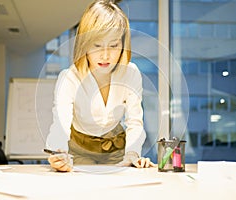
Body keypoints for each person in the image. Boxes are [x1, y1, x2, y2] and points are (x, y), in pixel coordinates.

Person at [46, 0, 155, 172]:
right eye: (96, 45)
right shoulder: (69, 78)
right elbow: (60, 122)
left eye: (113, 45)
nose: (105, 55)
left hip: (116, 147)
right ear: (84, 44)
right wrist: (58, 153)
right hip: (79, 149)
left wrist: (133, 154)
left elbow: (135, 121)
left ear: (123, 44)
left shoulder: (131, 73)